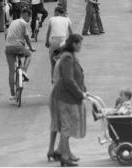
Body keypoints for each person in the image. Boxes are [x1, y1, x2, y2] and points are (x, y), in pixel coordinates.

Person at [48, 34, 89, 167]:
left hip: (68, 97)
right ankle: (64, 156)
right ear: (73, 44)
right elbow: (68, 80)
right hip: (66, 97)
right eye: (79, 44)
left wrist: (83, 89)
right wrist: (79, 94)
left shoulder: (70, 57)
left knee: (68, 126)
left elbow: (76, 76)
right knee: (67, 126)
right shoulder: (67, 58)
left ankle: (64, 152)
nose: (80, 46)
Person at [5, 8, 35, 100]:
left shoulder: (13, 22)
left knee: (11, 71)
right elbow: (26, 37)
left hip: (8, 47)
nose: (29, 19)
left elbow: (6, 34)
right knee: (29, 55)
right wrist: (31, 48)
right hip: (18, 46)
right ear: (26, 15)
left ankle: (12, 94)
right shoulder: (24, 23)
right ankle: (23, 71)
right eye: (29, 17)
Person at [45, 7, 72, 81]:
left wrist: (47, 42)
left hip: (53, 41)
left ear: (57, 12)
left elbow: (48, 32)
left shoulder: (52, 19)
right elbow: (71, 33)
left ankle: (53, 81)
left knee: (52, 63)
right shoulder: (67, 19)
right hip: (63, 41)